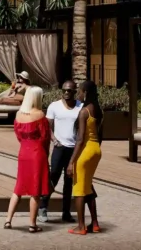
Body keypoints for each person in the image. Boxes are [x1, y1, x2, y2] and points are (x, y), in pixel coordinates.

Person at [4, 86, 49, 233]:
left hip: (23, 152)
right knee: (35, 190)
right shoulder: (40, 115)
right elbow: (45, 138)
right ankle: (32, 224)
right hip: (37, 153)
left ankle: (8, 220)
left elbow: (18, 135)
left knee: (18, 187)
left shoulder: (19, 115)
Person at [39, 80, 80, 224]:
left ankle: (66, 212)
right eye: (64, 90)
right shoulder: (54, 106)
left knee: (69, 182)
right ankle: (43, 206)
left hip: (73, 149)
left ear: (75, 91)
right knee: (53, 178)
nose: (66, 93)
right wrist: (54, 140)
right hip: (59, 148)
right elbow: (47, 126)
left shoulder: (80, 107)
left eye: (69, 90)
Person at [68, 80, 103, 235]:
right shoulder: (97, 110)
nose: (78, 94)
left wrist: (71, 162)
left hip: (86, 150)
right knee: (88, 185)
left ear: (86, 93)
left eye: (80, 91)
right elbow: (100, 135)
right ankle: (94, 223)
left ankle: (81, 226)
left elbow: (80, 139)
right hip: (96, 150)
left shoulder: (84, 112)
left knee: (78, 189)